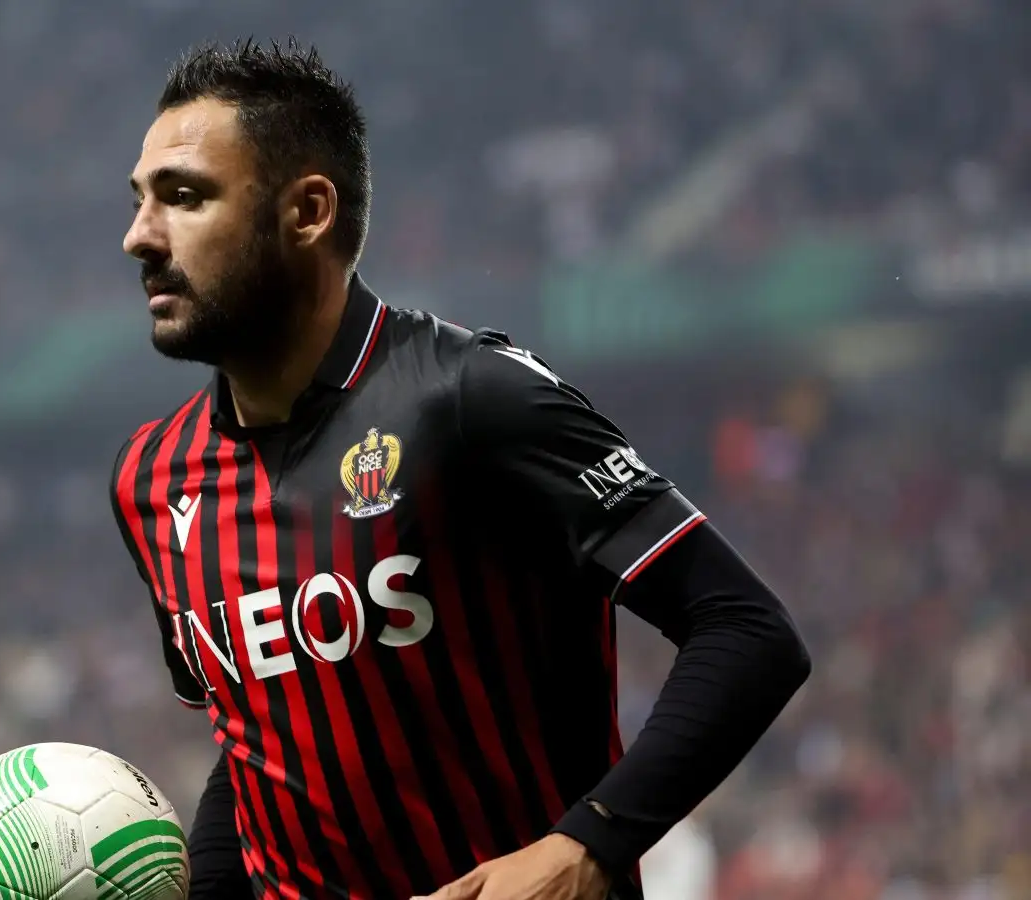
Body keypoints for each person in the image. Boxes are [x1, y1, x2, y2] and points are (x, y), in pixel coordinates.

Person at [108, 38, 810, 900]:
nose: (140, 236)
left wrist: (586, 846)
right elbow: (259, 743)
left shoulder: (471, 398)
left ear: (307, 212)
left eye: (184, 198)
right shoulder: (152, 481)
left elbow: (747, 631)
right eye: (142, 201)